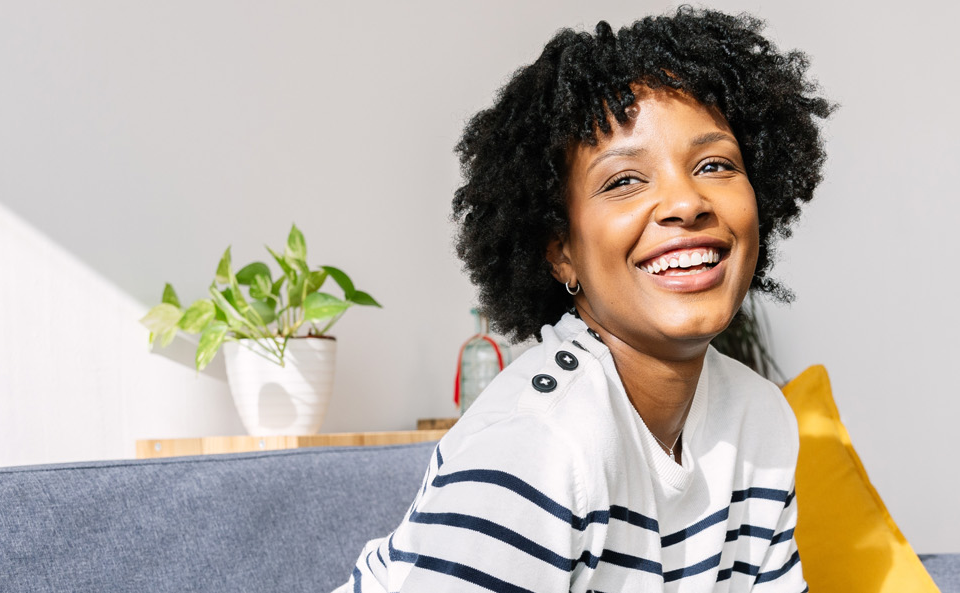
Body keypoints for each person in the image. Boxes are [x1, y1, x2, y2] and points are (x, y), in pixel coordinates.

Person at [338, 7, 832, 592]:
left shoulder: (761, 420)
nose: (686, 203)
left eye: (714, 164)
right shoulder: (539, 443)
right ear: (561, 251)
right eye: (624, 180)